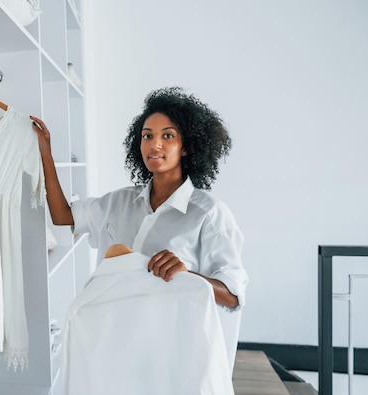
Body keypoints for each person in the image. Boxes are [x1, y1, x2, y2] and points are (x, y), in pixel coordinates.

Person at [30, 86, 247, 309]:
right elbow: (62, 216)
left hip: (168, 337)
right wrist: (46, 153)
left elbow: (233, 296)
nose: (155, 144)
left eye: (168, 135)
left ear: (186, 147)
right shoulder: (118, 201)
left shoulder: (210, 214)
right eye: (147, 135)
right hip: (107, 328)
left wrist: (186, 275)